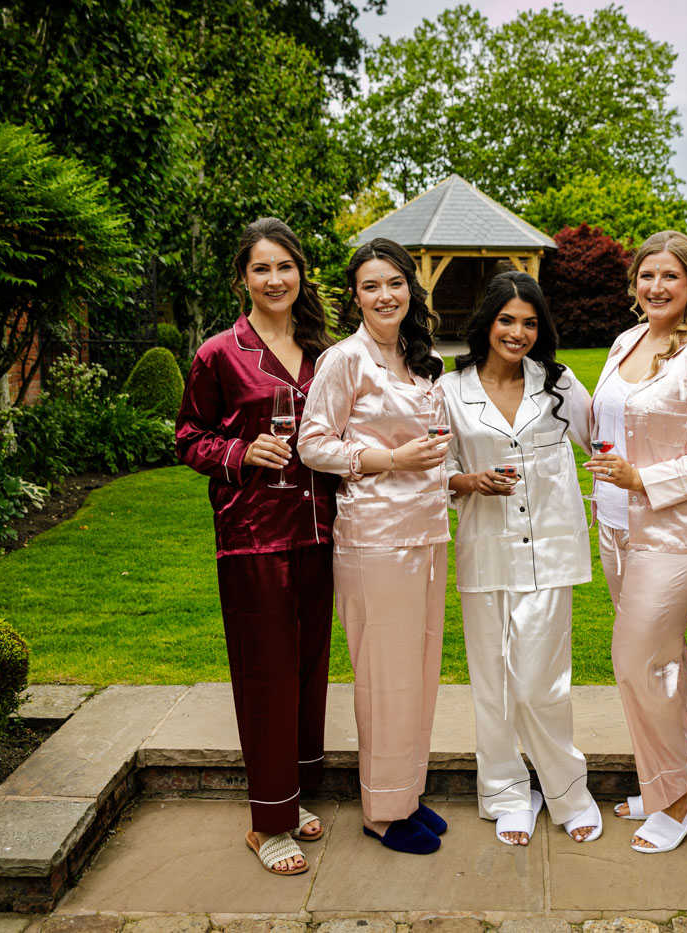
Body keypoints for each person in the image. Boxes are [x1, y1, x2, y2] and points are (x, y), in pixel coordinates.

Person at [175, 217, 337, 876]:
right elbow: (189, 437)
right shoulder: (219, 353)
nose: (275, 279)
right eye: (261, 268)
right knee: (266, 677)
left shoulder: (325, 352)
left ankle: (290, 796)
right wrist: (241, 450)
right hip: (253, 538)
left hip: (321, 530)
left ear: (301, 273)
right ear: (243, 277)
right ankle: (267, 823)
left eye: (285, 267)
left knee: (307, 671)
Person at [296, 236, 451, 855]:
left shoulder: (419, 357)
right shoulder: (344, 360)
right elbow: (314, 444)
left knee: (418, 672)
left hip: (428, 533)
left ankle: (405, 793)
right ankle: (381, 812)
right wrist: (388, 458)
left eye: (394, 283)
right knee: (384, 676)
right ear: (354, 296)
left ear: (411, 288)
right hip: (375, 539)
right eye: (370, 285)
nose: (385, 295)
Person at [585, 230, 687, 854]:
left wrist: (643, 477)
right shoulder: (627, 341)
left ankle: (672, 799)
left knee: (636, 660)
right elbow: (603, 422)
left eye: (670, 277)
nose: (656, 287)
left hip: (676, 531)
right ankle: (683, 784)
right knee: (664, 661)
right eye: (647, 275)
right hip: (617, 525)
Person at [439, 271, 601, 846]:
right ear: (486, 323)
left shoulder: (558, 382)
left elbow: (603, 443)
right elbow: (436, 473)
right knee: (492, 682)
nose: (519, 332)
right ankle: (506, 792)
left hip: (551, 551)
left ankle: (567, 791)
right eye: (507, 320)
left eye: (530, 322)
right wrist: (468, 479)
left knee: (540, 683)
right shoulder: (449, 389)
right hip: (484, 551)